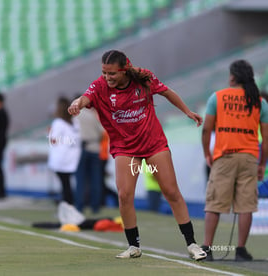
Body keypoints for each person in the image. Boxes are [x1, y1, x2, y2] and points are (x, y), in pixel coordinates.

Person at [67, 49, 206, 260]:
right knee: (124, 195)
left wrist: (187, 112)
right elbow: (86, 97)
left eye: (112, 73)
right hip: (125, 147)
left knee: (171, 191)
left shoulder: (144, 78)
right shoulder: (100, 85)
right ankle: (134, 246)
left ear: (124, 70)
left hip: (153, 145)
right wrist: (76, 103)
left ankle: (192, 244)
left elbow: (167, 92)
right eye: (104, 72)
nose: (107, 77)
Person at [201, 59, 268, 261]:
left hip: (225, 156)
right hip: (249, 157)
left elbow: (206, 129)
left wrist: (207, 153)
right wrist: (262, 164)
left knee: (215, 203)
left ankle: (207, 248)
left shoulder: (218, 97)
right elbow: (266, 140)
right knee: (246, 205)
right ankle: (240, 250)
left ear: (232, 77)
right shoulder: (260, 101)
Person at [47, 96, 81, 205]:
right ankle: (68, 203)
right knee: (67, 184)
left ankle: (67, 205)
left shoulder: (58, 123)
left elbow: (54, 140)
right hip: (73, 157)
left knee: (65, 184)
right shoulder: (75, 122)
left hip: (61, 158)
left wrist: (49, 133)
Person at [75, 107, 104, 213]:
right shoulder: (93, 114)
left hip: (80, 149)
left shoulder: (75, 114)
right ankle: (95, 207)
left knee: (80, 179)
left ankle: (79, 206)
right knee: (95, 179)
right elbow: (102, 132)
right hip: (94, 148)